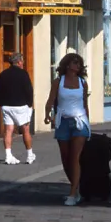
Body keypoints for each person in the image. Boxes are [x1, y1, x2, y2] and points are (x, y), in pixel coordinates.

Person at [44, 52, 90, 205]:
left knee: (75, 157)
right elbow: (50, 100)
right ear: (67, 65)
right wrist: (47, 114)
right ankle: (75, 188)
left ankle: (72, 193)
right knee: (65, 157)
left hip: (79, 121)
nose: (77, 65)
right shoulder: (58, 81)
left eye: (79, 63)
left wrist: (88, 124)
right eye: (74, 62)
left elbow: (85, 104)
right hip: (62, 121)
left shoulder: (83, 83)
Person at [0, 53, 36, 165]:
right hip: (20, 106)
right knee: (25, 130)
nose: (23, 63)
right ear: (19, 62)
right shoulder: (23, 74)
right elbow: (29, 90)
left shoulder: (3, 74)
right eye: (22, 61)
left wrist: (0, 102)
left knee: (8, 130)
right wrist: (29, 103)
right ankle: (29, 154)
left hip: (6, 106)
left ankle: (8, 155)